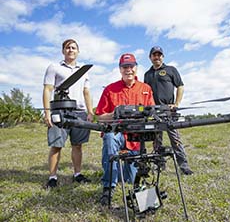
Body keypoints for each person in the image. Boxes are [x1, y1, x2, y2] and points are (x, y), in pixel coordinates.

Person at [95, 53, 155, 205]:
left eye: (131, 66)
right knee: (110, 137)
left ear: (136, 68)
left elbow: (153, 113)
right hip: (118, 134)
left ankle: (125, 176)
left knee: (130, 178)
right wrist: (115, 113)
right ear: (120, 69)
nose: (129, 70)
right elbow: (100, 116)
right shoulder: (110, 89)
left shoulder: (146, 88)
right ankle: (108, 187)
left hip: (136, 139)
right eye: (125, 67)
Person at [43, 39, 94, 188]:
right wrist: (47, 112)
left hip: (79, 112)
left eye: (73, 48)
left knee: (77, 145)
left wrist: (90, 111)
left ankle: (77, 174)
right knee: (56, 145)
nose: (70, 50)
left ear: (78, 51)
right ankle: (52, 177)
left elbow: (86, 92)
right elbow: (47, 89)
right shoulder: (54, 67)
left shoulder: (84, 71)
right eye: (67, 47)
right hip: (60, 110)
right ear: (63, 51)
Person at [144, 46, 193, 175]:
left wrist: (176, 103)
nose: (157, 57)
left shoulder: (171, 70)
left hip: (168, 111)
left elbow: (180, 86)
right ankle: (160, 165)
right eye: (154, 55)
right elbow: (145, 93)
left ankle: (184, 166)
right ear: (150, 57)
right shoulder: (147, 74)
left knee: (175, 140)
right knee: (156, 141)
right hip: (154, 112)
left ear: (163, 57)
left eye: (159, 55)